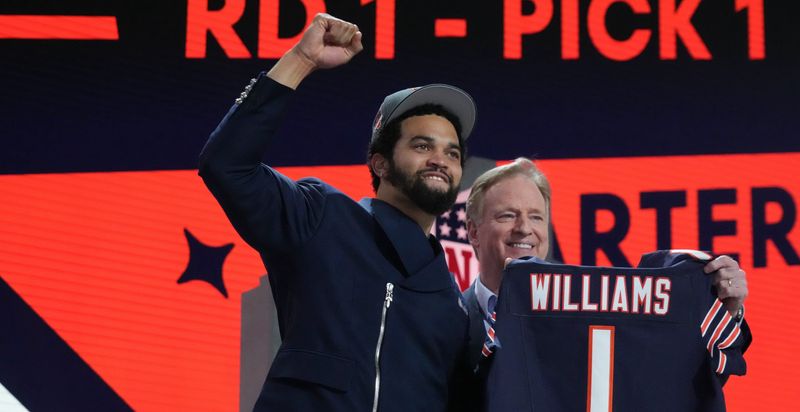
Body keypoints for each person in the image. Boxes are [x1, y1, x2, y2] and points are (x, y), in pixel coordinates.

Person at [198, 13, 476, 412]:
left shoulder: (453, 306)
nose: (440, 160)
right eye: (421, 146)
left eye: (452, 152)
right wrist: (301, 59)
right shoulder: (321, 217)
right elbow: (226, 164)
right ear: (379, 164)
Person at [462, 158, 751, 371]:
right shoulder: (446, 321)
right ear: (473, 232)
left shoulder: (592, 313)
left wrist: (725, 312)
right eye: (507, 216)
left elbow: (673, 377)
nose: (525, 228)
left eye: (536, 217)